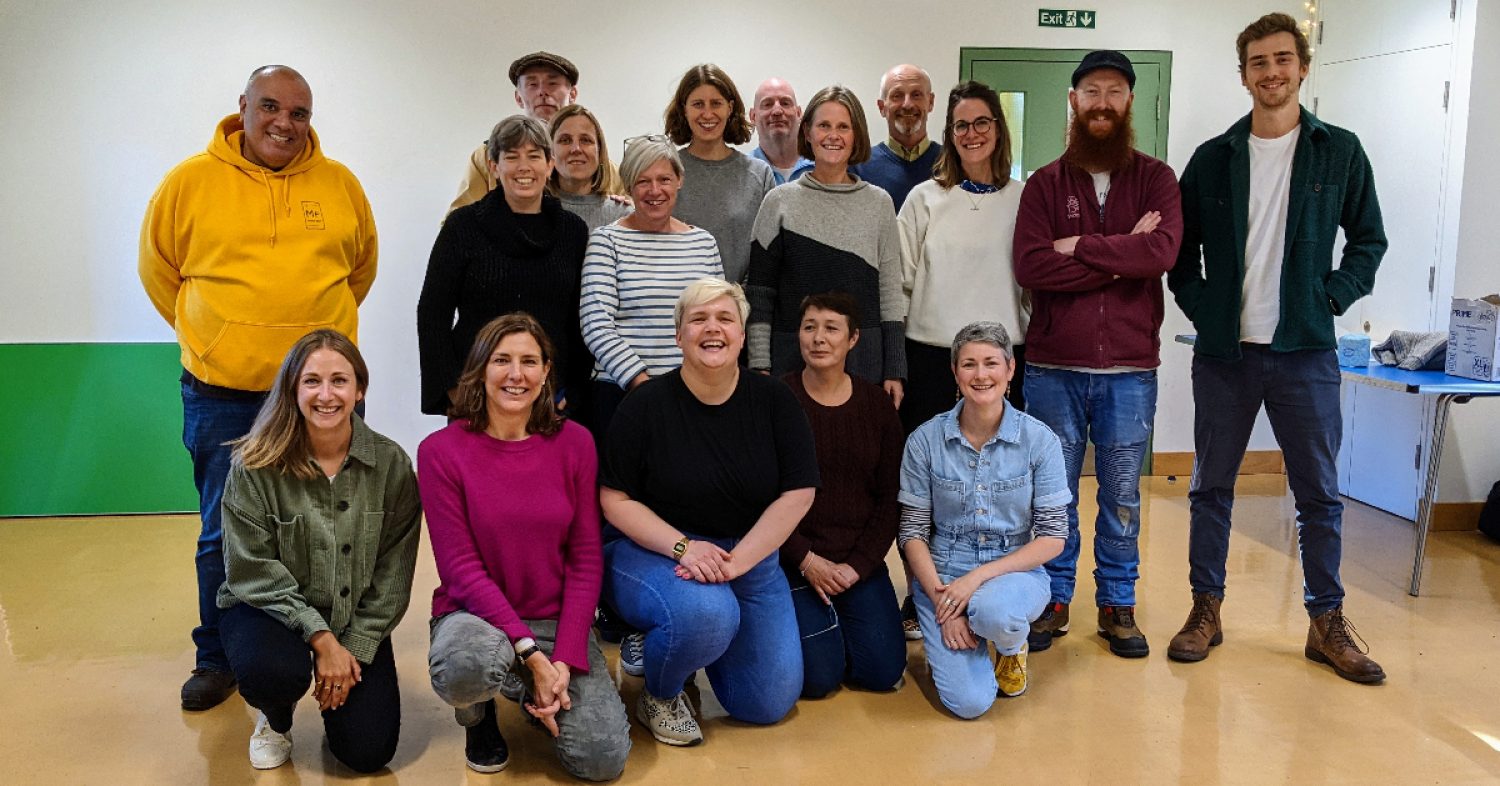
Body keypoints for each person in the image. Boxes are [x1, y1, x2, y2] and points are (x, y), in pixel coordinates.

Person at [138, 64, 378, 711]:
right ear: (242, 106)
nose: (284, 123)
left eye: (299, 112)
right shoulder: (188, 183)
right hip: (223, 394)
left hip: (321, 398)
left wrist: (316, 363)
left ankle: (336, 642)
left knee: (333, 525)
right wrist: (217, 337)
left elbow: (360, 272)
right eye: (270, 107)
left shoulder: (341, 185)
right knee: (224, 531)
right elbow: (160, 271)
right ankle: (218, 658)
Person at [1167, 13, 1387, 683]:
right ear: (1243, 75)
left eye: (1282, 59)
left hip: (1306, 353)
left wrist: (1333, 295)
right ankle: (1206, 608)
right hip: (1227, 357)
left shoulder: (1338, 151)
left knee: (1318, 494)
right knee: (1210, 487)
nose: (1271, 71)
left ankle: (1327, 621)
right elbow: (1181, 256)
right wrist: (1205, 311)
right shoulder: (1213, 158)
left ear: (1303, 66)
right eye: (1258, 62)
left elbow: (1369, 240)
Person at [1012, 50, 1183, 658]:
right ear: (1074, 100)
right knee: (1052, 493)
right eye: (1092, 90)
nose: (1103, 102)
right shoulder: (1044, 184)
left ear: (1129, 101)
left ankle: (1117, 603)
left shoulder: (1157, 179)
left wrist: (1080, 244)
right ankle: (1053, 598)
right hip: (1054, 367)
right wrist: (1120, 253)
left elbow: (1160, 255)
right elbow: (1032, 266)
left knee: (1122, 494)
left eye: (1114, 90)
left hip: (1131, 372)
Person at [600, 278, 819, 746]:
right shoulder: (644, 405)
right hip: (655, 552)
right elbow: (614, 500)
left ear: (742, 334)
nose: (712, 329)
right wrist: (684, 548)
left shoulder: (775, 401)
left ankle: (680, 638)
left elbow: (798, 493)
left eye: (725, 319)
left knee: (765, 704)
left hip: (746, 556)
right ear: (679, 336)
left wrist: (738, 562)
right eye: (698, 319)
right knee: (707, 615)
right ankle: (660, 690)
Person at [420, 314, 632, 779]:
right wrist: (532, 656)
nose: (516, 374)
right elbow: (460, 569)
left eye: (529, 362)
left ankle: (528, 686)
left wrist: (564, 658)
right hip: (474, 617)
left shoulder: (576, 443)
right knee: (465, 668)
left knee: (601, 761)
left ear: (545, 373)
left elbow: (585, 558)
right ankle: (478, 711)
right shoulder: (440, 451)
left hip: (554, 620)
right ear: (480, 369)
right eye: (502, 360)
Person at [216, 330, 420, 772]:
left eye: (339, 381)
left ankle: (339, 696)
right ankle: (275, 718)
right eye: (311, 381)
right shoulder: (254, 466)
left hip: (353, 617)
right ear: (292, 390)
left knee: (368, 753)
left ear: (359, 389)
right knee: (271, 670)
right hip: (269, 610)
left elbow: (394, 575)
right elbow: (251, 570)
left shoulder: (392, 466)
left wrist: (353, 648)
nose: (326, 395)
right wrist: (322, 639)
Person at [899, 322, 1069, 718]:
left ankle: (1009, 647)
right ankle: (971, 633)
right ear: (955, 373)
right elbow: (912, 532)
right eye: (969, 364)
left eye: (991, 363)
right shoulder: (924, 440)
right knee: (971, 704)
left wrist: (975, 581)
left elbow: (1053, 536)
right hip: (942, 574)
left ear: (1010, 370)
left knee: (996, 612)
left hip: (1014, 571)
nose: (981, 375)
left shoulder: (1039, 439)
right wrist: (944, 601)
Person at [418, 115, 592, 423]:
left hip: (550, 397)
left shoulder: (573, 231)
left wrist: (576, 390)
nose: (524, 167)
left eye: (534, 156)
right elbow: (433, 313)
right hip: (475, 397)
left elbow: (581, 320)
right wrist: (452, 389)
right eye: (511, 157)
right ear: (494, 166)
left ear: (550, 164)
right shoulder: (463, 226)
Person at [747, 85, 907, 404]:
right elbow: (760, 293)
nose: (832, 136)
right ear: (807, 132)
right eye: (823, 126)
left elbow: (890, 291)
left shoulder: (879, 204)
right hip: (791, 358)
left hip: (864, 359)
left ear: (856, 134)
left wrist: (894, 368)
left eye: (843, 127)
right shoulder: (778, 202)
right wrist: (759, 365)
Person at [781, 293, 906, 698]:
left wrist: (858, 566)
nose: (819, 338)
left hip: (857, 561)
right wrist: (805, 559)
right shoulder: (778, 401)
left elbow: (891, 499)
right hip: (796, 560)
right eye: (809, 327)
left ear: (852, 340)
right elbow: (761, 498)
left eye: (831, 328)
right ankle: (819, 634)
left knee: (882, 672)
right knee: (818, 680)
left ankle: (839, 628)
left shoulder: (876, 406)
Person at [899, 79, 1028, 433]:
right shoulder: (923, 199)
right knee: (930, 467)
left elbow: (1034, 281)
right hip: (930, 357)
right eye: (961, 125)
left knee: (997, 467)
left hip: (1002, 359)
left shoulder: (1024, 199)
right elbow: (900, 285)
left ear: (998, 128)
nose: (972, 133)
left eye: (982, 122)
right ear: (950, 134)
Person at [579, 136, 723, 438]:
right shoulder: (607, 241)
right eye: (643, 181)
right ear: (629, 185)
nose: (655, 191)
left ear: (680, 180)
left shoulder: (703, 243)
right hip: (622, 394)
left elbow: (718, 321)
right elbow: (596, 324)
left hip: (694, 394)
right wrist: (644, 385)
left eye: (664, 179)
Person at [665, 64, 777, 284]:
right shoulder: (666, 171)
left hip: (741, 309)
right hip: (677, 308)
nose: (708, 114)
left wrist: (737, 304)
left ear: (730, 107)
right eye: (698, 104)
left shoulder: (759, 175)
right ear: (684, 109)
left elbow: (768, 255)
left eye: (716, 103)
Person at [449, 52, 590, 214]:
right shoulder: (488, 154)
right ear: (518, 97)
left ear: (572, 94)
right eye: (532, 85)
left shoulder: (590, 155)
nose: (543, 92)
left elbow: (620, 209)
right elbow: (458, 221)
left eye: (552, 83)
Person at [852, 64, 940, 211]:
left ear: (930, 102)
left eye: (916, 95)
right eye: (897, 96)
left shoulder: (951, 163)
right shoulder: (859, 168)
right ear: (882, 107)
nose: (907, 104)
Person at [548, 104, 632, 231]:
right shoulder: (532, 211)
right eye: (565, 140)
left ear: (599, 150)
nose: (576, 149)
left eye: (585, 140)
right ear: (550, 151)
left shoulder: (623, 215)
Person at [748, 77, 811, 184]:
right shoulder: (743, 172)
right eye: (767, 104)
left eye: (785, 103)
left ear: (799, 114)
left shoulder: (822, 166)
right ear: (753, 116)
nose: (777, 111)